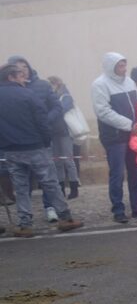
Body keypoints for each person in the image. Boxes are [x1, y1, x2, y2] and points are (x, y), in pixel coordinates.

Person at [0, 64, 83, 237]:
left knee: (21, 187)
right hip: (35, 146)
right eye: (20, 76)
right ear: (11, 77)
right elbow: (42, 120)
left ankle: (25, 224)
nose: (25, 79)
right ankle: (65, 218)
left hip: (10, 149)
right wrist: (45, 141)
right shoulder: (28, 95)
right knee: (50, 183)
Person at [7, 55, 66, 222]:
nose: (22, 71)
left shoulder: (42, 85)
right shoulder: (8, 91)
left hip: (41, 138)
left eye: (24, 67)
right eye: (18, 69)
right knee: (22, 182)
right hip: (17, 141)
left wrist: (45, 122)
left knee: (48, 179)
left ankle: (51, 208)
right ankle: (25, 217)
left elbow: (56, 106)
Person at [91, 52, 137, 223]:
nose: (124, 69)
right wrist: (128, 124)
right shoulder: (100, 85)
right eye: (120, 66)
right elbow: (103, 111)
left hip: (134, 134)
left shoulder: (129, 82)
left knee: (136, 172)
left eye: (124, 65)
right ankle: (118, 209)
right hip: (115, 137)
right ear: (111, 67)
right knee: (118, 174)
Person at [47, 76, 81, 199]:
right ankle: (61, 188)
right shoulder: (50, 97)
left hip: (64, 132)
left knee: (68, 160)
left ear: (57, 84)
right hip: (53, 132)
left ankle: (74, 187)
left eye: (51, 84)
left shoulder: (66, 96)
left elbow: (61, 109)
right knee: (57, 161)